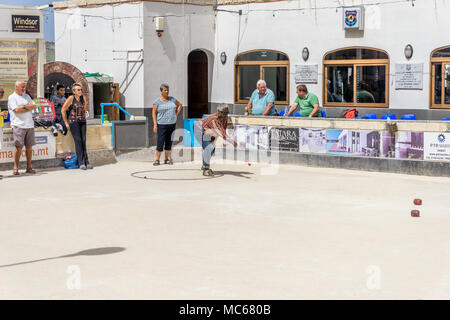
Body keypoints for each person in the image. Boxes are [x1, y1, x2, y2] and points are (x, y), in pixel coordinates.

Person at [193, 106, 237, 176]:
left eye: (227, 113)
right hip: (198, 128)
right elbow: (221, 134)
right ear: (219, 112)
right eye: (224, 113)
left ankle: (204, 164)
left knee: (212, 149)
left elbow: (225, 129)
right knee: (209, 147)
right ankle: (206, 169)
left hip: (209, 131)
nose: (226, 115)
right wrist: (232, 142)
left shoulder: (226, 118)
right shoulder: (214, 120)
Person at [8, 80, 38, 175]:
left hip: (29, 125)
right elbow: (16, 110)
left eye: (24, 87)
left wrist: (23, 107)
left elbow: (33, 106)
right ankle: (15, 167)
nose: (24, 89)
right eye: (22, 87)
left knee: (29, 147)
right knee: (19, 147)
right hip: (18, 125)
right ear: (16, 87)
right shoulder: (12, 97)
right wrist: (26, 107)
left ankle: (29, 167)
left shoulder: (27, 96)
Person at [62, 83, 92, 170]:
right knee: (78, 141)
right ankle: (81, 162)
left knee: (83, 140)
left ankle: (87, 161)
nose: (80, 91)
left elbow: (85, 109)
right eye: (78, 90)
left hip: (82, 121)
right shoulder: (71, 98)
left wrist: (84, 117)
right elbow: (63, 110)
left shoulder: (83, 98)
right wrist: (66, 122)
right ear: (74, 91)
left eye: (81, 89)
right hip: (73, 122)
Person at [152, 83, 183, 166]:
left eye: (167, 90)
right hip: (161, 125)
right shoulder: (157, 102)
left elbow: (180, 105)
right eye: (165, 90)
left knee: (169, 142)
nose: (167, 92)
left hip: (171, 124)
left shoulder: (172, 99)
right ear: (161, 91)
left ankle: (166, 159)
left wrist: (176, 114)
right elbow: (154, 113)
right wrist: (155, 124)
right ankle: (157, 160)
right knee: (160, 142)